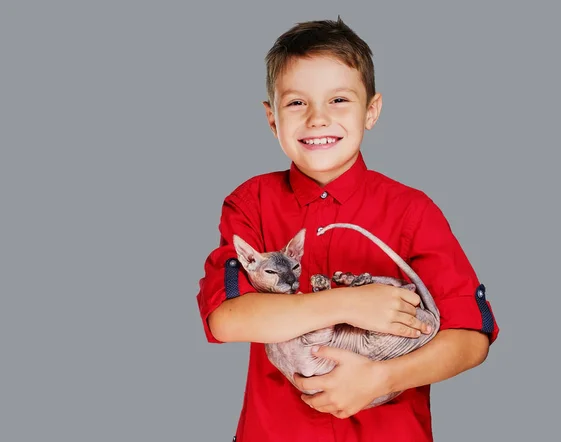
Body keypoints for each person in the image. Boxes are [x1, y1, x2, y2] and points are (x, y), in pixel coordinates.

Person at [196, 16, 499, 442]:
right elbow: (226, 320)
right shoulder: (250, 204)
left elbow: (471, 337)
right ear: (271, 118)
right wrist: (348, 304)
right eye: (297, 103)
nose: (318, 119)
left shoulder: (413, 211)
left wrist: (383, 378)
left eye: (339, 100)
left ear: (371, 110)